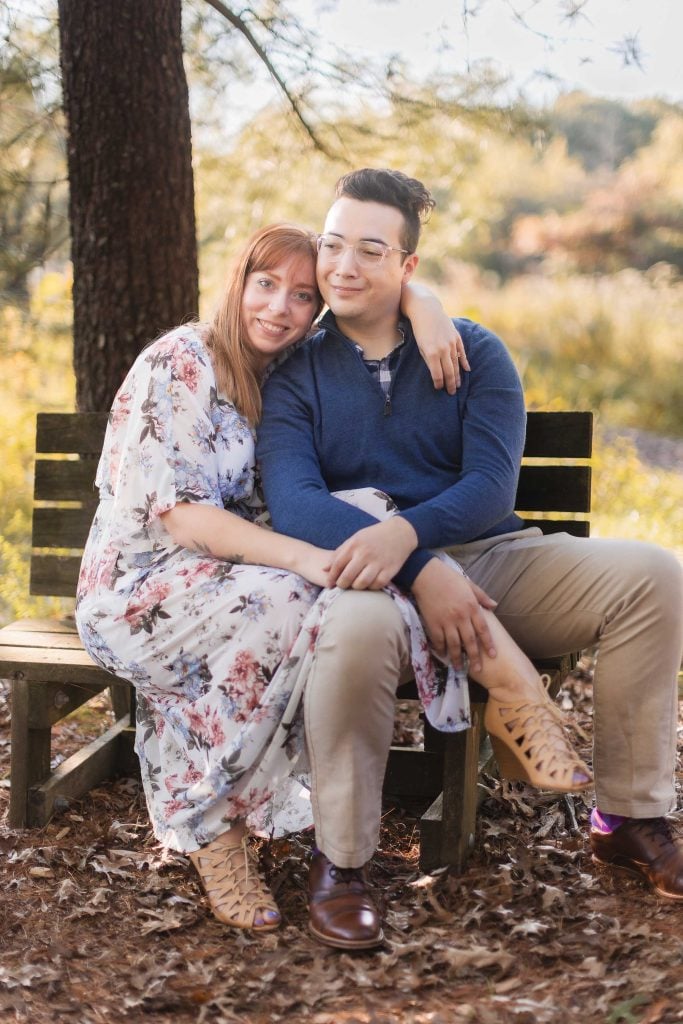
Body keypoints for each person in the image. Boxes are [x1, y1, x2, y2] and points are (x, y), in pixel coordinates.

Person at [256, 168, 683, 949]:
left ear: (407, 267)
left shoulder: (473, 352)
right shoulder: (294, 372)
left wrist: (412, 538)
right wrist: (417, 567)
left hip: (491, 558)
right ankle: (342, 863)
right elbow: (293, 502)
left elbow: (489, 486)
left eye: (370, 250)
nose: (344, 266)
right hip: (364, 576)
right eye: (332, 245)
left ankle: (629, 814)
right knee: (350, 632)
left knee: (654, 576)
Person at [75, 223, 472, 934]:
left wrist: (422, 301)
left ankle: (221, 813)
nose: (279, 309)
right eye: (265, 284)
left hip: (229, 583)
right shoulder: (181, 362)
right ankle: (213, 831)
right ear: (237, 281)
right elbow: (186, 518)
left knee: (331, 580)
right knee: (299, 597)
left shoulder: (284, 375)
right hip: (139, 589)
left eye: (301, 295)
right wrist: (303, 558)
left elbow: (373, 300)